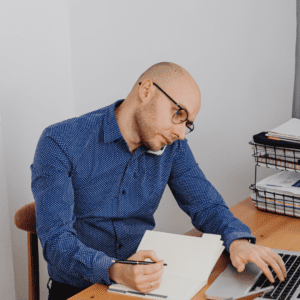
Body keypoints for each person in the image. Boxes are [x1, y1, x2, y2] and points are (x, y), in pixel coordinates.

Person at [30, 62, 286, 300]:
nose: (181, 133)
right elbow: (56, 242)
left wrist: (238, 241)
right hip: (81, 289)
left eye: (188, 123)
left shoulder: (172, 146)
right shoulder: (60, 142)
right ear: (146, 90)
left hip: (147, 285)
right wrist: (115, 270)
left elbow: (206, 206)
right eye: (178, 113)